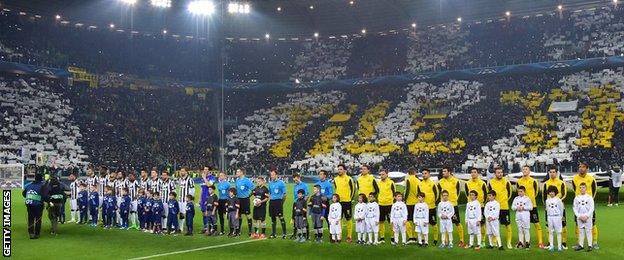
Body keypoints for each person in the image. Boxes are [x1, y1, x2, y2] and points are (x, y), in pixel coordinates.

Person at [571, 162, 598, 248]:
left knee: (592, 224)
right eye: (579, 167)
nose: (581, 168)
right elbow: (575, 190)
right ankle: (579, 242)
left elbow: (594, 191)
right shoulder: (574, 179)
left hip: (588, 206)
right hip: (579, 206)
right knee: (577, 224)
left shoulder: (591, 179)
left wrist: (589, 202)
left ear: (587, 168)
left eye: (583, 167)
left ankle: (594, 242)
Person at [437, 167, 465, 247]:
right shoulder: (440, 182)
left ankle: (461, 240)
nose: (443, 173)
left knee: (457, 222)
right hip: (444, 206)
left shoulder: (456, 181)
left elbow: (458, 192)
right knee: (444, 223)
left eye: (445, 171)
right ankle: (445, 241)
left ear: (449, 172)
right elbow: (439, 193)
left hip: (453, 205)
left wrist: (454, 201)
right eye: (443, 171)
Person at [517, 165, 544, 248]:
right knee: (522, 225)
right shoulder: (519, 181)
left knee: (536, 224)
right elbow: (519, 193)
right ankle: (523, 242)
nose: (525, 170)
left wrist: (530, 202)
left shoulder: (534, 181)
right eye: (523, 169)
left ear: (529, 171)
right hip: (522, 208)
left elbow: (536, 192)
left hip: (532, 206)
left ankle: (540, 242)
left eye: (526, 169)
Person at [543, 166, 568, 249]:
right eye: (550, 172)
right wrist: (546, 206)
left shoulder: (561, 182)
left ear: (557, 173)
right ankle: (550, 243)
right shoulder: (546, 183)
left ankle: (563, 242)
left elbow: (564, 194)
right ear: (549, 173)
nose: (552, 173)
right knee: (548, 226)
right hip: (550, 209)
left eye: (554, 172)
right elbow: (544, 196)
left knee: (563, 225)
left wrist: (557, 201)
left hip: (559, 209)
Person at [487, 166, 513, 249]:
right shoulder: (491, 182)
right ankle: (494, 242)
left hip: (504, 207)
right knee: (494, 225)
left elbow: (509, 193)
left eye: (501, 172)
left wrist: (504, 201)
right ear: (495, 173)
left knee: (507, 225)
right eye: (498, 172)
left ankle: (509, 242)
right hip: (494, 208)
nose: (500, 174)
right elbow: (489, 194)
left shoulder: (506, 181)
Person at [465, 167, 487, 244]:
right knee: (471, 224)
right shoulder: (467, 183)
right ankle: (472, 242)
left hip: (480, 206)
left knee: (481, 224)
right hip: (471, 207)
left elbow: (486, 194)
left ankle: (483, 240)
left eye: (475, 172)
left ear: (478, 173)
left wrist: (481, 202)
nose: (473, 173)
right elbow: (466, 194)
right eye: (472, 172)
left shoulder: (482, 183)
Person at [334, 164, 355, 243]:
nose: (339, 171)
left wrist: (350, 199)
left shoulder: (349, 179)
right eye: (338, 169)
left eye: (341, 169)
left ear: (345, 170)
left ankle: (349, 236)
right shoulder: (335, 179)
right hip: (338, 203)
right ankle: (339, 236)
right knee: (339, 218)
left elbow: (353, 190)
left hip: (347, 202)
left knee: (348, 218)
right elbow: (336, 189)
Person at [418, 168, 440, 245]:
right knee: (424, 224)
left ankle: (435, 239)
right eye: (423, 173)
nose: (424, 175)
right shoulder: (420, 184)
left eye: (425, 173)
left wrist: (434, 203)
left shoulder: (433, 184)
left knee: (433, 223)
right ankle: (424, 240)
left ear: (429, 174)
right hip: (423, 209)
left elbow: (437, 195)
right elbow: (419, 195)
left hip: (431, 207)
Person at [23, 173, 46, 239]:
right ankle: (37, 234)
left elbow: (24, 194)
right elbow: (44, 195)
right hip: (38, 204)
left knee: (30, 219)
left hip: (29, 203)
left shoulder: (28, 185)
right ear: (41, 179)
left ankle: (31, 233)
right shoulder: (42, 185)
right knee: (38, 219)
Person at [573, 183, 594, 252]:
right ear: (579, 189)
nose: (582, 189)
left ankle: (590, 245)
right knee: (581, 231)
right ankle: (581, 245)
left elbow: (592, 208)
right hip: (580, 217)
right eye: (581, 187)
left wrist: (587, 216)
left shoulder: (589, 197)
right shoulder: (577, 198)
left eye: (583, 187)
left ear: (586, 188)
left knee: (588, 231)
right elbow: (574, 208)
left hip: (588, 217)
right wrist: (579, 216)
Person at [234, 168, 255, 236]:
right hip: (238, 200)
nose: (236, 173)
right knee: (239, 215)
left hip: (245, 200)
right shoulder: (237, 180)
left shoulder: (247, 180)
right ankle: (238, 231)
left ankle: (250, 231)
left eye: (238, 172)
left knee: (247, 215)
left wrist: (249, 195)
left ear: (242, 172)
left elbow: (253, 189)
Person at [377, 169, 395, 243]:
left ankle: (392, 237)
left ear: (387, 174)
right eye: (380, 174)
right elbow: (378, 192)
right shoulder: (378, 183)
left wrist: (391, 201)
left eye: (383, 174)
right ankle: (382, 237)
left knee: (391, 221)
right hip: (381, 204)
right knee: (381, 221)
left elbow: (394, 193)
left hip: (389, 205)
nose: (381, 176)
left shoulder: (391, 182)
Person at [268, 169, 287, 239]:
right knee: (273, 218)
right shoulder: (270, 183)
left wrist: (281, 203)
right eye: (271, 174)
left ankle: (284, 233)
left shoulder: (281, 183)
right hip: (272, 202)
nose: (271, 176)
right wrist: (271, 199)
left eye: (273, 174)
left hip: (278, 202)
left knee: (281, 217)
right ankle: (273, 233)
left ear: (276, 175)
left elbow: (284, 194)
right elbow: (270, 193)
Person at [404, 167, 421, 244]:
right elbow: (420, 192)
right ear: (415, 172)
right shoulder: (418, 180)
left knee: (407, 220)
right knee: (415, 221)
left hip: (409, 203)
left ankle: (410, 237)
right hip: (416, 203)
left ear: (408, 172)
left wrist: (404, 199)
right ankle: (415, 237)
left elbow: (407, 190)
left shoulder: (408, 179)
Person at [545, 186, 564, 252]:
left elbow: (561, 209)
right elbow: (547, 209)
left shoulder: (558, 200)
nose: (551, 193)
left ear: (555, 192)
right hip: (550, 217)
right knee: (550, 232)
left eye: (552, 192)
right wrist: (548, 217)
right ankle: (551, 246)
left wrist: (560, 217)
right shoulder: (547, 201)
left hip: (557, 217)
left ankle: (559, 246)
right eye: (550, 192)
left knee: (558, 232)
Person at [177, 167, 195, 233]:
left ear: (186, 172)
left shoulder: (190, 180)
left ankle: (189, 229)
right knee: (181, 214)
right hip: (180, 200)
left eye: (183, 171)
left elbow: (193, 190)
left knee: (188, 215)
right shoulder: (180, 179)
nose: (181, 172)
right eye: (181, 171)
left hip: (186, 201)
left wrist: (189, 199)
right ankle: (181, 228)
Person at [291, 173, 308, 239]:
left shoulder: (304, 185)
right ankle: (297, 235)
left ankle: (306, 236)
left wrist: (303, 203)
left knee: (304, 220)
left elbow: (307, 195)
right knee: (296, 219)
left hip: (302, 204)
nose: (295, 181)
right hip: (296, 203)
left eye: (296, 180)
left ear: (299, 178)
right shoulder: (295, 186)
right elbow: (295, 196)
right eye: (294, 180)